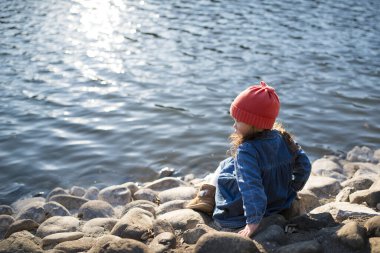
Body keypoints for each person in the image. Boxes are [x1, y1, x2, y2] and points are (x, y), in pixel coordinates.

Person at [186, 81, 311, 237]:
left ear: (254, 123)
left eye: (238, 120)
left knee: (224, 166)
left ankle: (206, 196)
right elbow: (305, 165)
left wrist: (253, 221)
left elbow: (250, 185)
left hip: (247, 207)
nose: (234, 126)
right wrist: (291, 189)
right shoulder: (282, 138)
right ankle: (209, 189)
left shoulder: (247, 150)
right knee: (231, 164)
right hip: (278, 200)